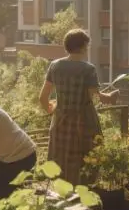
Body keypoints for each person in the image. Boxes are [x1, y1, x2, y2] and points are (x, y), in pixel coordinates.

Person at [38, 29, 119, 184]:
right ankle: (84, 194)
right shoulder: (88, 69)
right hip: (84, 122)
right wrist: (111, 97)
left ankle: (61, 193)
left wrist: (51, 110)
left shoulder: (54, 66)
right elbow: (98, 96)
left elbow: (42, 98)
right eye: (86, 46)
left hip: (60, 121)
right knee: (87, 158)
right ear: (82, 47)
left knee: (60, 158)